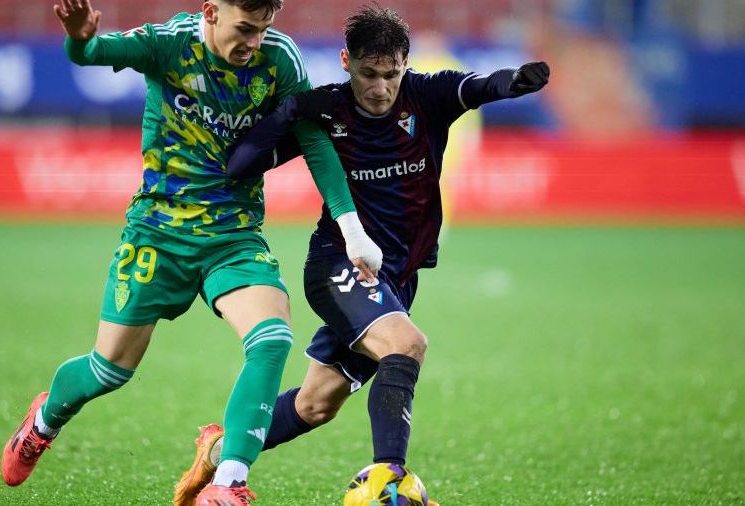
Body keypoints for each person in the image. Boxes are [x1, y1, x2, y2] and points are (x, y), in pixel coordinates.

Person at [0, 1, 384, 505]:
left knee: (272, 338)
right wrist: (79, 36)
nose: (254, 42)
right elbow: (90, 54)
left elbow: (313, 141)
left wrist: (352, 229)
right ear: (210, 11)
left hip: (233, 235)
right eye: (245, 28)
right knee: (109, 369)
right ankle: (43, 423)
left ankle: (228, 482)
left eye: (264, 29)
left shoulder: (279, 58)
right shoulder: (169, 43)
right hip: (158, 233)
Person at [173, 5, 549, 504]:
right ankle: (389, 482)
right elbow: (239, 165)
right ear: (346, 62)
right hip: (339, 265)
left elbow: (480, 86)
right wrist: (287, 113)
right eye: (369, 74)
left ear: (405, 65)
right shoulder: (328, 110)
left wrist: (515, 82)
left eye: (391, 74)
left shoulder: (427, 96)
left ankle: (218, 453)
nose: (380, 88)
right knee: (406, 345)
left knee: (316, 404)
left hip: (397, 278)